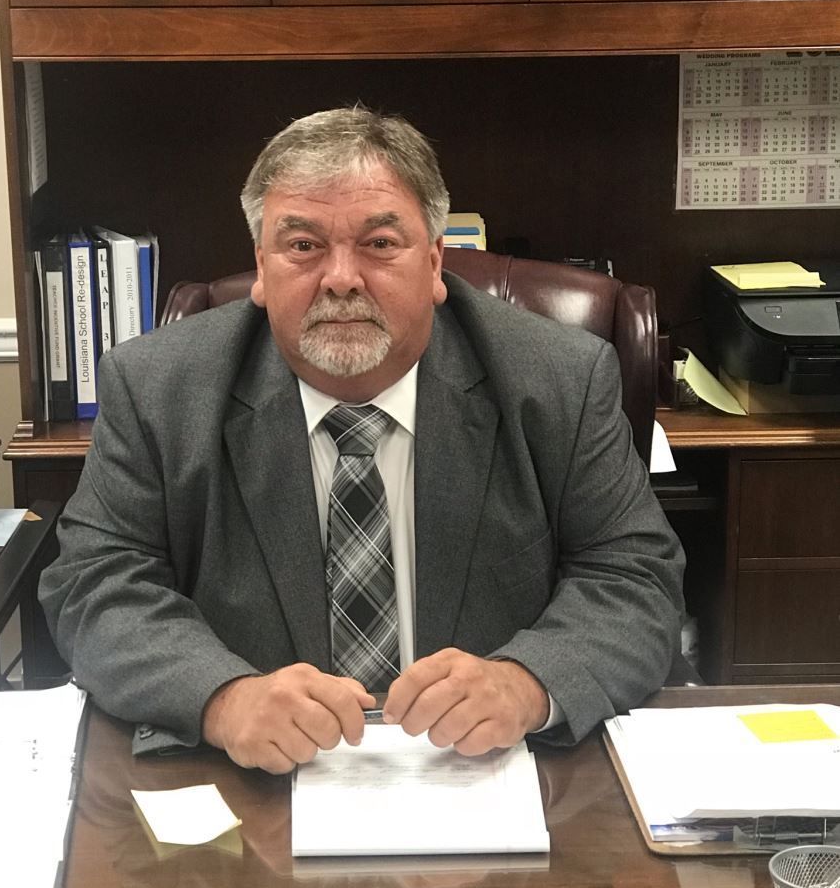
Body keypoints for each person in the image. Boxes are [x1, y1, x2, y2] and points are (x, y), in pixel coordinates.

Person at [39, 106, 685, 775]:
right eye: (303, 246)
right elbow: (96, 582)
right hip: (255, 784)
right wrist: (224, 698)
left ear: (434, 262)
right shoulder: (157, 388)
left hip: (488, 776)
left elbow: (633, 578)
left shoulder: (559, 380)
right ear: (261, 265)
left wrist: (526, 682)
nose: (341, 277)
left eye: (379, 243)